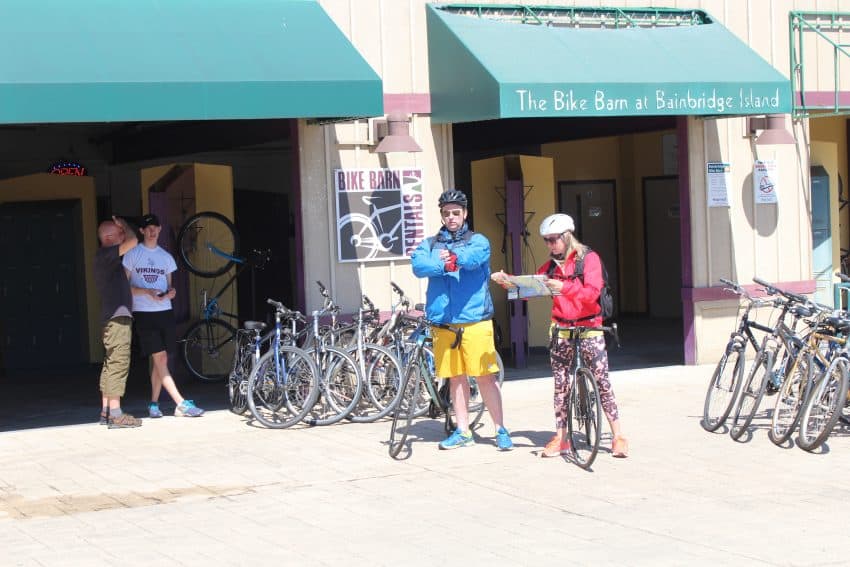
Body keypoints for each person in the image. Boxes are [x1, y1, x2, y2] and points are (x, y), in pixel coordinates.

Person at [495, 213, 627, 458]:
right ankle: (562, 437)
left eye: (553, 239)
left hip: (589, 327)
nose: (549, 244)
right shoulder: (550, 267)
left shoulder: (589, 259)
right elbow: (532, 288)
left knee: (602, 381)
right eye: (546, 240)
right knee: (561, 386)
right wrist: (510, 283)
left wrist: (564, 287)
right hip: (561, 329)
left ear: (567, 236)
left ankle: (618, 435)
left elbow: (591, 293)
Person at [411, 189, 512, 450]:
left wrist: (454, 259)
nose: (451, 217)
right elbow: (418, 265)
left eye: (456, 212)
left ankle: (500, 429)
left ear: (465, 214)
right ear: (442, 216)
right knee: (455, 378)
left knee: (485, 377)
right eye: (447, 213)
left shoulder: (478, 240)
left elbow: (472, 259)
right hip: (444, 323)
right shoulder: (430, 243)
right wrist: (443, 264)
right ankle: (463, 431)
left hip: (474, 320)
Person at [123, 214, 204, 418]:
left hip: (164, 311)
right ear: (141, 231)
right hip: (143, 312)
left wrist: (170, 293)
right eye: (148, 227)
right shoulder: (132, 254)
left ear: (159, 229)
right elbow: (123, 287)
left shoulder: (166, 257)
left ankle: (153, 404)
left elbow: (169, 286)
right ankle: (181, 403)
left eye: (155, 227)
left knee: (163, 358)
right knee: (159, 357)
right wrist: (145, 292)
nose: (152, 230)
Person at [94, 216, 143, 428]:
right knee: (118, 363)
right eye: (118, 233)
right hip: (117, 319)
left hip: (114, 318)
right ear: (108, 237)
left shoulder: (110, 260)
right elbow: (134, 241)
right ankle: (115, 413)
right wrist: (125, 225)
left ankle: (106, 411)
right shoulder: (105, 254)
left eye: (122, 232)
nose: (123, 236)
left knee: (110, 362)